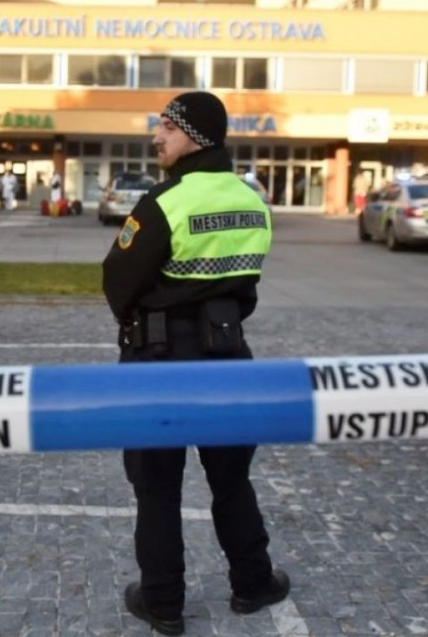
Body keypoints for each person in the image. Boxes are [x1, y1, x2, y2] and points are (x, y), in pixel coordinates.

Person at [102, 91, 288, 636]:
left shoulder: (164, 202)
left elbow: (118, 282)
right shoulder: (252, 202)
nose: (156, 136)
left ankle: (163, 602)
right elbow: (245, 284)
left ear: (196, 136)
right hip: (227, 355)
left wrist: (149, 319)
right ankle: (253, 582)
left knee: (157, 486)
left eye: (168, 127)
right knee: (232, 479)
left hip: (157, 360)